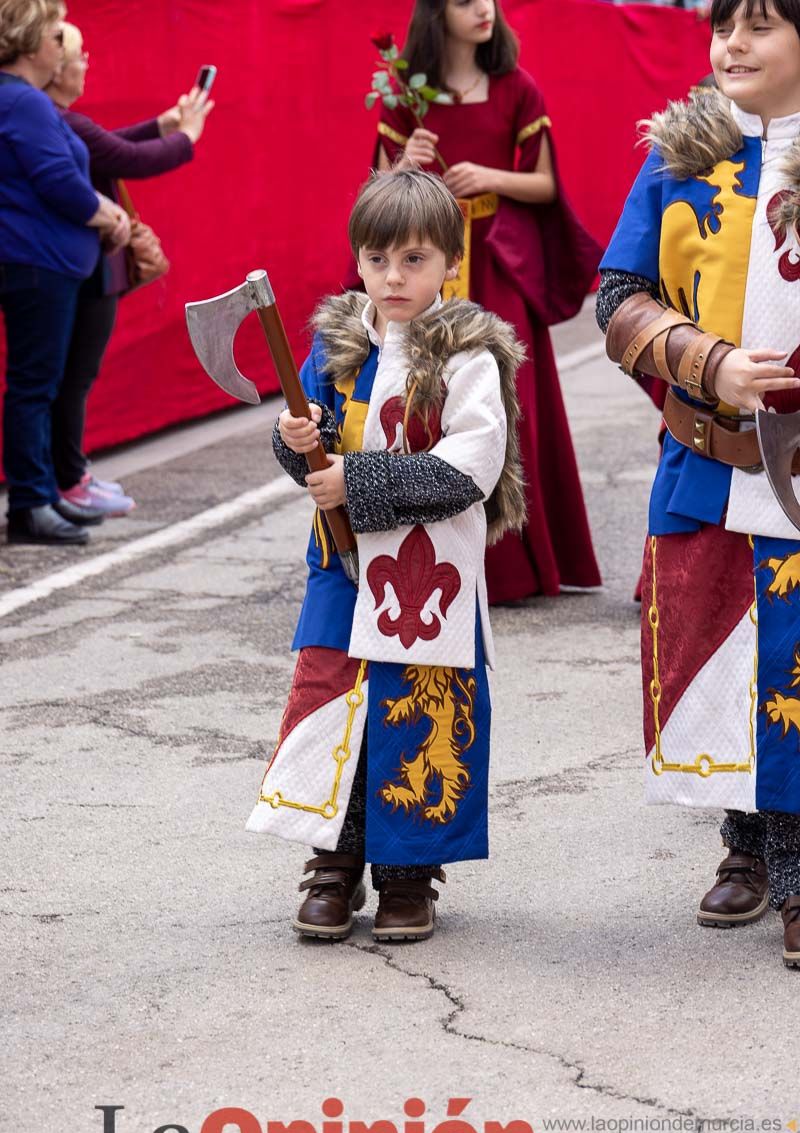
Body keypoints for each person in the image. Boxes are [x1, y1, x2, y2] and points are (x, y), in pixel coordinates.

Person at [246, 169, 525, 942]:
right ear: (357, 261)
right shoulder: (338, 345)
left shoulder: (469, 354)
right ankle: (332, 866)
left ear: (449, 263)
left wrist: (353, 479)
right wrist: (295, 442)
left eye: (413, 260)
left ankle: (409, 877)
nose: (393, 278)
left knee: (418, 713)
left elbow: (473, 466)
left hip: (427, 579)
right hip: (340, 569)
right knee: (334, 708)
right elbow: (306, 440)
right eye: (377, 260)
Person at [597, 0, 800, 968]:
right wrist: (702, 361)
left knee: (795, 665)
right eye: (722, 24)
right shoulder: (679, 155)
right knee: (718, 656)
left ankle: (798, 867)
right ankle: (744, 844)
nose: (731, 45)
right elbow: (614, 300)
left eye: (759, 26)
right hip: (704, 463)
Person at [374, 0, 602, 604]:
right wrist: (406, 163)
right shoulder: (405, 94)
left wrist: (489, 176)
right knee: (420, 405)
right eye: (465, 1)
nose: (484, 9)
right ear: (434, 13)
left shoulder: (516, 88)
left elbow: (546, 184)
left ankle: (514, 569)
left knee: (511, 406)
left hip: (499, 271)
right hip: (425, 275)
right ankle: (424, 557)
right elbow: (379, 193)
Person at [44, 21, 213, 518]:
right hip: (85, 269)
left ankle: (70, 473)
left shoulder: (58, 120)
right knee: (73, 376)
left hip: (81, 267)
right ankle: (68, 479)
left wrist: (163, 125)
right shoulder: (58, 120)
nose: (85, 63)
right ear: (55, 68)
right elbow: (126, 158)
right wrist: (187, 136)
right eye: (79, 56)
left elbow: (105, 145)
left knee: (70, 376)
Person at [0, 0, 130, 545]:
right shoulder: (23, 102)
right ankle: (31, 503)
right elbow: (59, 181)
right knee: (35, 385)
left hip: (39, 261)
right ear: (31, 45)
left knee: (40, 384)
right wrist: (111, 214)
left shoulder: (21, 100)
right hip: (38, 264)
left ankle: (45, 493)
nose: (64, 47)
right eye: (56, 37)